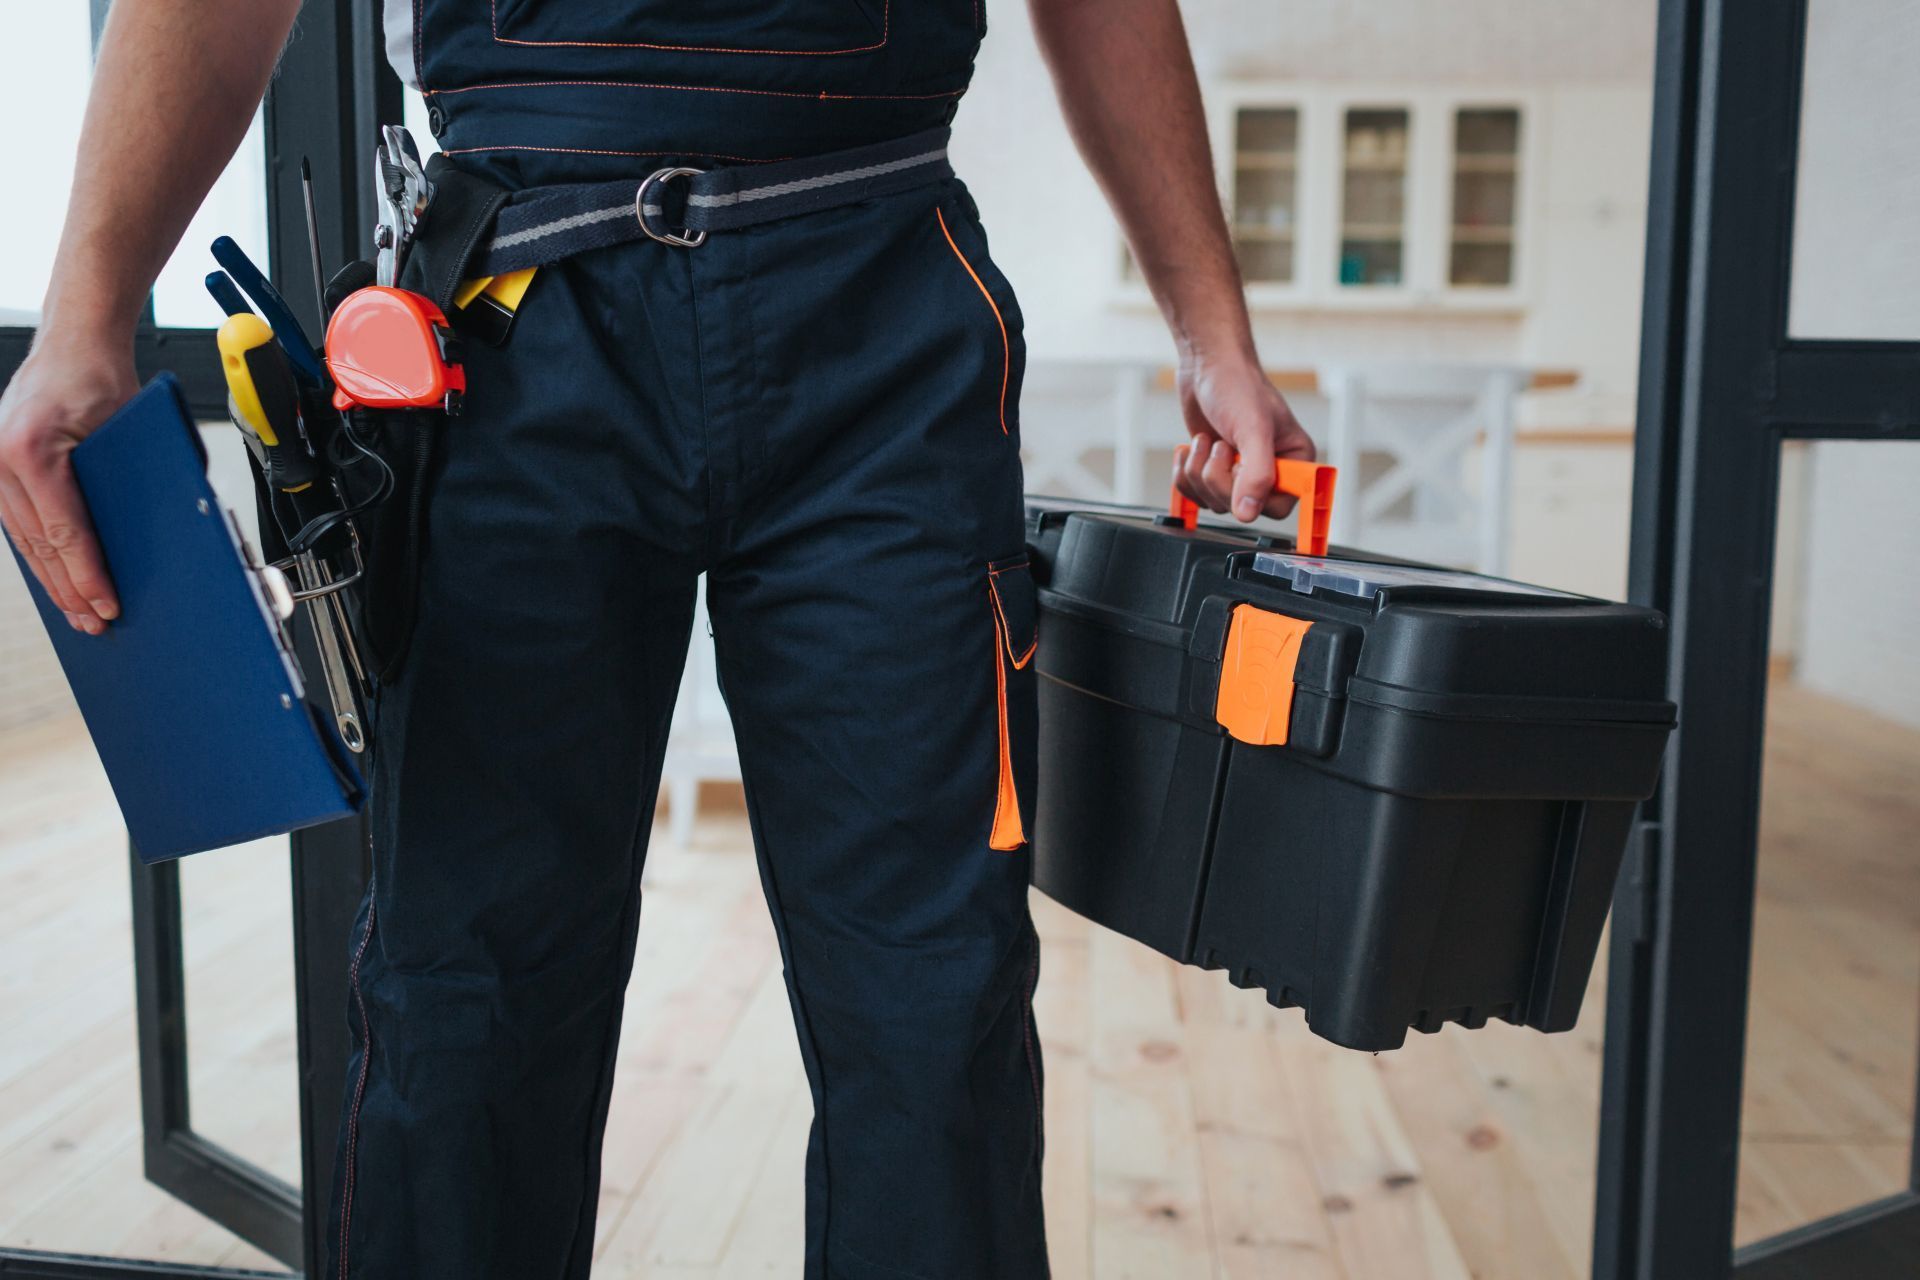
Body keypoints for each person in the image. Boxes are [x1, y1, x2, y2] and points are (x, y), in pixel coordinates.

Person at [0, 0, 1315, 1274]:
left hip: (883, 327)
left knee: (935, 1010)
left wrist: (1213, 335)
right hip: (511, 328)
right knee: (464, 1003)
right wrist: (85, 317)